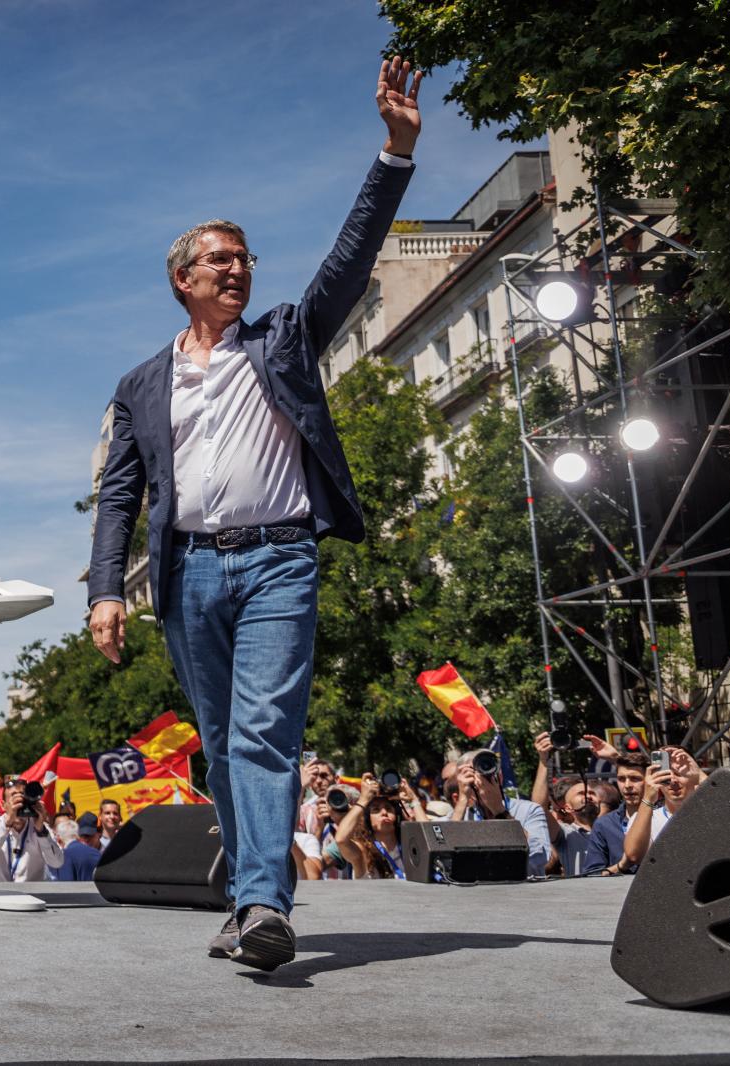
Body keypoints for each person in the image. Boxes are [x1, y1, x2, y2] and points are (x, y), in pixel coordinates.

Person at [89, 58, 424, 971]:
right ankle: (247, 893)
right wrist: (102, 595)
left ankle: (267, 907)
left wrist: (393, 153)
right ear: (182, 281)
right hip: (187, 573)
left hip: (280, 560)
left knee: (261, 734)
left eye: (245, 260)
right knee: (220, 746)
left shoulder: (283, 337)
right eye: (220, 261)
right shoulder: (141, 384)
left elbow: (349, 260)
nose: (238, 270)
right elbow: (122, 492)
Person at [450, 750, 551, 878]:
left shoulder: (529, 810)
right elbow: (445, 856)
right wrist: (463, 799)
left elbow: (540, 857)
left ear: (500, 777)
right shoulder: (460, 815)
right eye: (474, 772)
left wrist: (499, 810)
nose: (481, 777)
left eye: (486, 771)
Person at [621, 747, 705, 867]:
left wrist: (700, 776)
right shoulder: (647, 819)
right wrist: (648, 797)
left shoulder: (711, 812)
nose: (673, 781)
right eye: (666, 775)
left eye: (679, 773)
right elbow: (634, 856)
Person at [0, 778, 64, 882]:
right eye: (13, 796)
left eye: (22, 796)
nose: (19, 801)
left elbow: (57, 863)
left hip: (32, 895)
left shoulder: (40, 827)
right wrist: (7, 823)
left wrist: (41, 831)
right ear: (3, 805)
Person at [585, 747, 649, 875]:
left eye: (635, 779)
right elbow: (592, 876)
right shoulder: (604, 824)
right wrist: (621, 866)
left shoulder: (665, 817)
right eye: (621, 779)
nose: (627, 785)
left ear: (649, 780)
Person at [54, 811, 104, 881]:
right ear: (77, 836)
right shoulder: (64, 855)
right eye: (82, 836)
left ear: (99, 833)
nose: (86, 840)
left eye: (89, 836)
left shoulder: (103, 855)